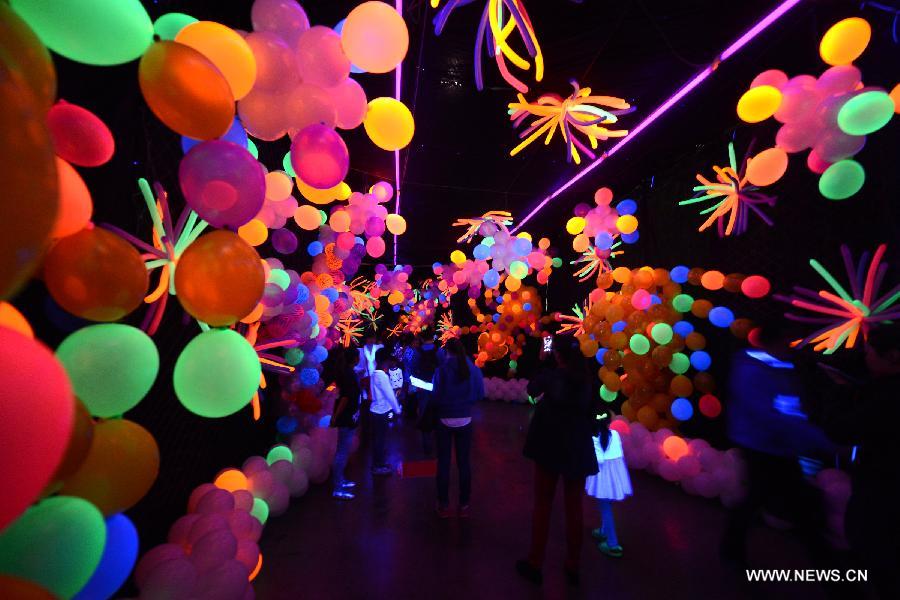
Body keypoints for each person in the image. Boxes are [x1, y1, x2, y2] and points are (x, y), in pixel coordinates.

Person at [821, 326, 900, 599]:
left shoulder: (887, 398)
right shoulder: (881, 391)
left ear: (892, 357)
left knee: (876, 549)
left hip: (883, 489)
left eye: (869, 353)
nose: (865, 359)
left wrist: (840, 392)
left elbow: (840, 430)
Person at [517, 336, 598, 586]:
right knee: (574, 507)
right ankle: (573, 565)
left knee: (543, 503)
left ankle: (535, 563)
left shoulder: (552, 376)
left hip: (549, 446)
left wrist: (542, 363)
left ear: (557, 354)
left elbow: (531, 389)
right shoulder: (585, 380)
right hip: (577, 448)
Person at [428, 338, 484, 518]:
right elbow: (479, 394)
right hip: (465, 419)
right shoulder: (473, 370)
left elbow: (435, 397)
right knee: (464, 463)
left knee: (443, 464)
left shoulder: (441, 370)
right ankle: (464, 504)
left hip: (444, 420)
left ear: (447, 352)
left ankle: (443, 505)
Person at [585, 409, 632, 557]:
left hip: (603, 478)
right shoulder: (616, 434)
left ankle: (613, 544)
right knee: (607, 505)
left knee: (605, 507)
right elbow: (620, 454)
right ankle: (604, 531)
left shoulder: (594, 438)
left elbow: (598, 460)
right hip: (617, 476)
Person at [330, 347, 361, 500]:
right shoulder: (349, 374)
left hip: (350, 416)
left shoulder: (349, 372)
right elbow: (345, 398)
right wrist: (335, 417)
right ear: (354, 358)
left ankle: (340, 480)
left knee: (343, 449)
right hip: (346, 417)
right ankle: (337, 488)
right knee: (342, 451)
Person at [369, 347, 402, 476]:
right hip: (380, 412)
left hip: (376, 410)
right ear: (385, 361)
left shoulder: (375, 373)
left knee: (379, 439)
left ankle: (379, 464)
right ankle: (378, 466)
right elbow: (390, 395)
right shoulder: (382, 375)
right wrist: (397, 410)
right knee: (380, 440)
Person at [355, 330, 383, 399]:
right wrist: (359, 371)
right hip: (365, 378)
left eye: (373, 338)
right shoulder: (360, 350)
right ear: (366, 339)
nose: (371, 340)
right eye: (369, 338)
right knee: (366, 397)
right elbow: (356, 366)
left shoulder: (379, 348)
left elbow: (383, 361)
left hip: (377, 377)